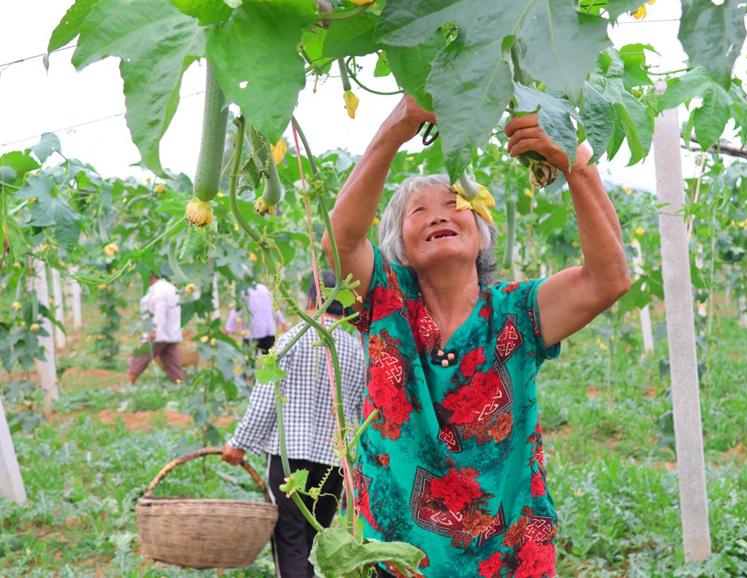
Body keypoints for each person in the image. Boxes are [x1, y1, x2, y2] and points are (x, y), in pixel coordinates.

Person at [323, 95, 631, 577]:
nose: (439, 214)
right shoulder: (387, 300)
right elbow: (339, 241)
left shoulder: (515, 313)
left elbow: (608, 279)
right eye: (417, 211)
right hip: (395, 559)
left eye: (455, 204)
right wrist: (396, 127)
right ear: (397, 244)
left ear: (481, 231)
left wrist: (576, 164)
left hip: (506, 559)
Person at [221, 271, 366, 578]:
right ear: (345, 304)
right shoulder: (356, 351)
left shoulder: (288, 341)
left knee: (289, 537)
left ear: (310, 300)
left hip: (290, 462)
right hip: (333, 462)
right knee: (316, 537)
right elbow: (360, 410)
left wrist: (238, 444)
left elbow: (263, 402)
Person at [128, 273, 185, 384]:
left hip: (159, 334)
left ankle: (128, 383)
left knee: (140, 357)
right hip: (171, 332)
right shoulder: (169, 287)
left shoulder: (159, 291)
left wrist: (153, 329)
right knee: (172, 363)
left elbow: (160, 311)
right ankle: (181, 385)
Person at [225, 282, 287, 354]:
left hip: (251, 333)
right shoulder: (264, 289)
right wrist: (282, 322)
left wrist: (229, 328)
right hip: (268, 332)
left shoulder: (243, 291)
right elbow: (274, 308)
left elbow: (236, 310)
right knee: (270, 361)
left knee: (249, 362)